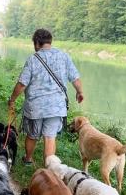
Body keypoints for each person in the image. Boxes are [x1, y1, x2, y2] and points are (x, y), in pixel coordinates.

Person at [8, 28, 84, 163]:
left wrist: (12, 100)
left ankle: (28, 159)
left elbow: (22, 84)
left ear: (37, 42)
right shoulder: (63, 56)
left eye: (34, 44)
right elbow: (75, 78)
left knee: (32, 135)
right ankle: (50, 169)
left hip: (35, 107)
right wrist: (80, 92)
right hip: (56, 107)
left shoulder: (33, 59)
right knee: (50, 137)